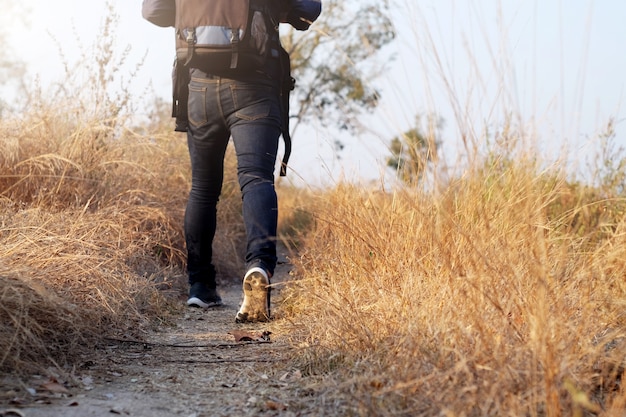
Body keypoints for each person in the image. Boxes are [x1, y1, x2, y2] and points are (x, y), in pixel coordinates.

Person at [142, 0, 321, 323]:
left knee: (203, 189)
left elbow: (153, 11)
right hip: (255, 86)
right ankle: (259, 267)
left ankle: (200, 286)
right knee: (256, 179)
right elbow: (309, 8)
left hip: (198, 88)